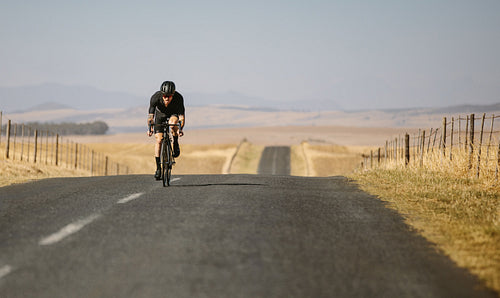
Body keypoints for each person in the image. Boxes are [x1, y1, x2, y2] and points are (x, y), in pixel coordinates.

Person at [147, 81, 185, 180]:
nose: (166, 98)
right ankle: (158, 168)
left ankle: (175, 142)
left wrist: (180, 129)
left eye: (169, 96)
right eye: (164, 96)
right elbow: (151, 116)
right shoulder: (155, 97)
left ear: (173, 94)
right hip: (160, 115)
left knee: (173, 125)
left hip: (173, 114)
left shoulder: (178, 98)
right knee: (159, 140)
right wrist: (150, 128)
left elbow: (181, 117)